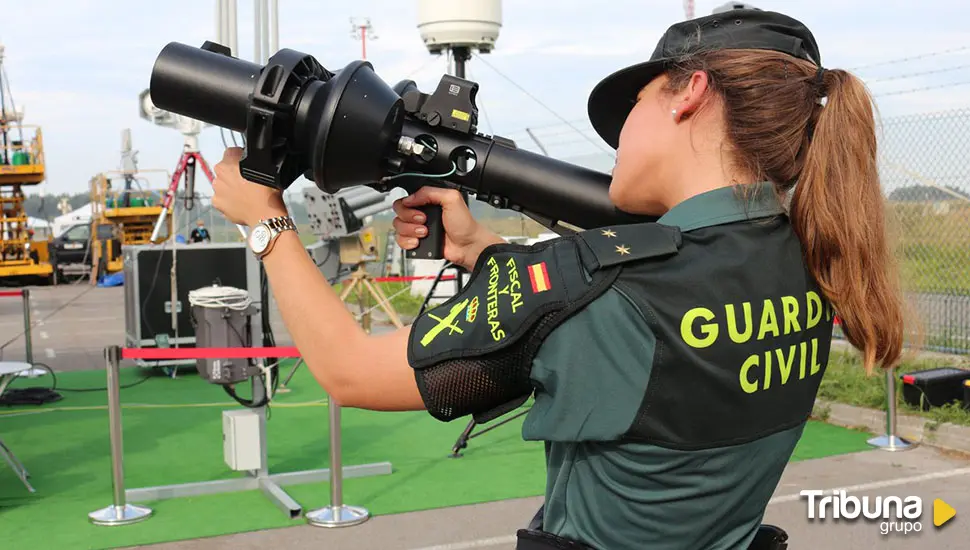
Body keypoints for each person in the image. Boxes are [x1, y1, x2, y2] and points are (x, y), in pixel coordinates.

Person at [210, 8, 906, 549]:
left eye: (631, 107)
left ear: (689, 93)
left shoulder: (597, 287)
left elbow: (351, 371)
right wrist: (484, 251)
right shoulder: (815, 263)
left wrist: (265, 222)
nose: (620, 135)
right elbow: (628, 321)